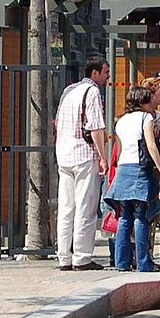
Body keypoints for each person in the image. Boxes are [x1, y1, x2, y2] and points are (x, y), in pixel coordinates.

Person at [53, 56, 111, 271]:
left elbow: (57, 123)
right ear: (94, 73)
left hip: (64, 154)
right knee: (86, 207)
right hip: (84, 154)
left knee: (66, 207)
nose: (108, 77)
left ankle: (63, 256)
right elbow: (96, 128)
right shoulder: (92, 91)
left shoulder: (69, 90)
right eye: (105, 72)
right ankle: (82, 257)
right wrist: (103, 157)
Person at [105, 86, 160, 272]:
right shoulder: (146, 118)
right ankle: (143, 262)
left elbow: (119, 150)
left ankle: (121, 262)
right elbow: (151, 145)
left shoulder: (120, 121)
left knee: (124, 217)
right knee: (140, 216)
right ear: (143, 102)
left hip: (123, 169)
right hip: (139, 170)